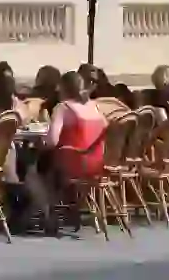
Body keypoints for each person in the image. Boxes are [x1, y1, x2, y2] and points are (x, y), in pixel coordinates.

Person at [23, 71, 108, 232]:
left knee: (32, 171)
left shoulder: (63, 107)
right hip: (98, 162)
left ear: (62, 88)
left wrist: (39, 142)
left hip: (73, 162)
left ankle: (48, 213)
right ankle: (45, 211)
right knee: (46, 167)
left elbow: (52, 141)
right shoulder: (94, 106)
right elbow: (105, 129)